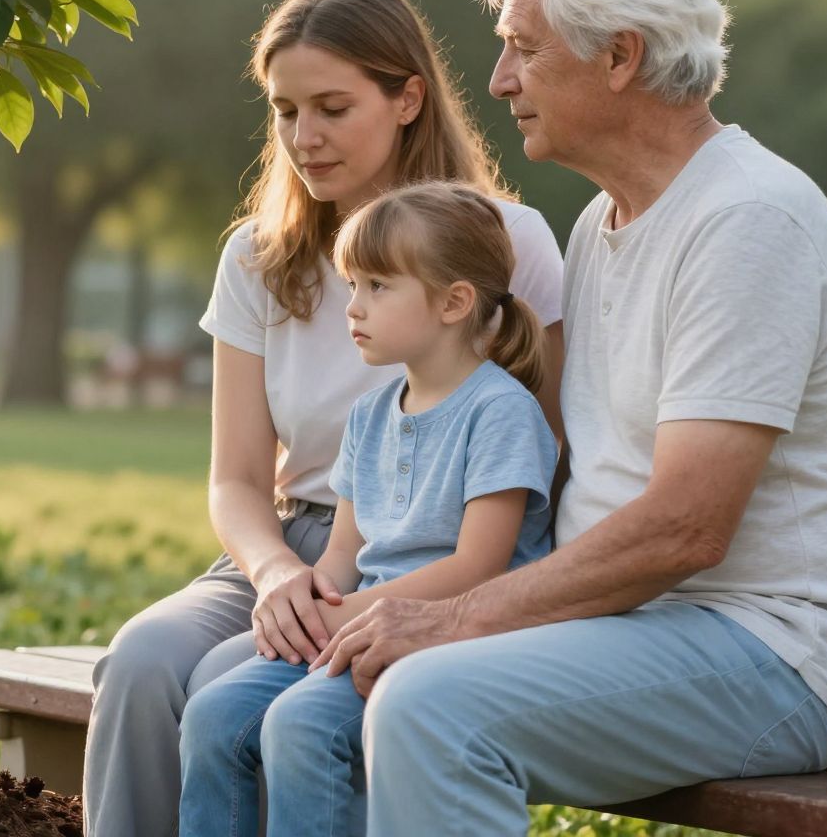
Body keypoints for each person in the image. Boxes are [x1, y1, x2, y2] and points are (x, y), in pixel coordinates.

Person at [310, 0, 827, 834]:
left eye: (523, 48)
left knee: (430, 702)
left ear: (620, 56)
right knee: (297, 694)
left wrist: (460, 617)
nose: (499, 80)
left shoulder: (747, 219)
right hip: (630, 623)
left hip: (770, 649)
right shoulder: (602, 221)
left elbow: (686, 529)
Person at [83, 0, 568, 837]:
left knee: (238, 693)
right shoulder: (258, 257)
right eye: (284, 110)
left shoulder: (506, 241)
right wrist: (276, 577)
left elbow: (544, 449)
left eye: (333, 108)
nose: (304, 137)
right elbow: (235, 478)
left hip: (436, 548)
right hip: (294, 542)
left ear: (408, 97)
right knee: (142, 660)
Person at [177, 181, 558, 837]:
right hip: (363, 629)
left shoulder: (501, 414)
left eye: (377, 287)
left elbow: (478, 568)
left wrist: (352, 616)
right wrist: (309, 607)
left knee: (301, 726)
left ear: (454, 302)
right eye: (352, 285)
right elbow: (344, 556)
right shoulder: (370, 416)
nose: (352, 308)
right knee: (213, 716)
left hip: (454, 638)